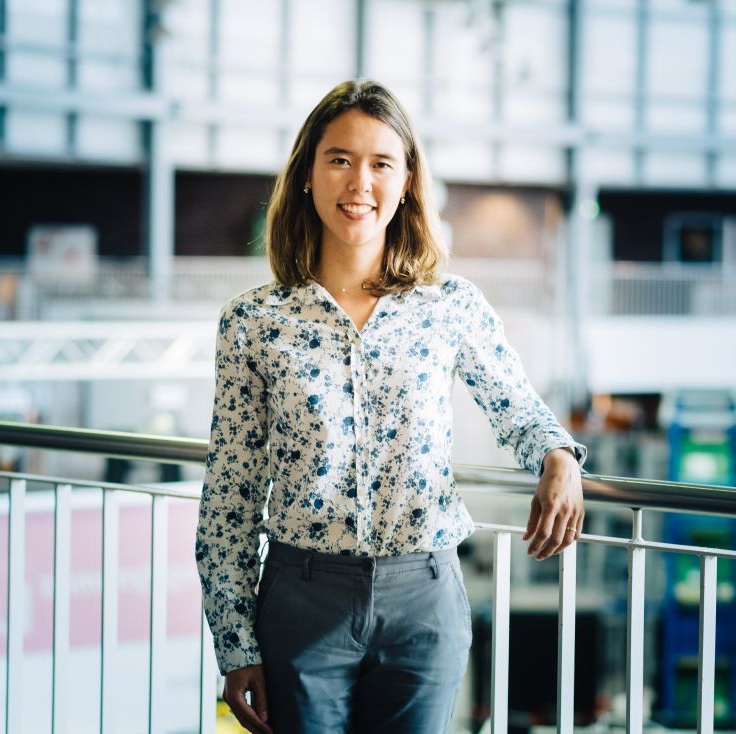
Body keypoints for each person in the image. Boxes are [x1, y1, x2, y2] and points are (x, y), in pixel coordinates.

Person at [195, 79, 587, 734]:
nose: (360, 184)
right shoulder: (253, 323)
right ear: (308, 176)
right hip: (301, 604)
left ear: (407, 182)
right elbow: (231, 493)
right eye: (339, 159)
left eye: (381, 163)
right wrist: (236, 646)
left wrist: (558, 456)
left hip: (423, 605)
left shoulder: (449, 306)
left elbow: (516, 405)